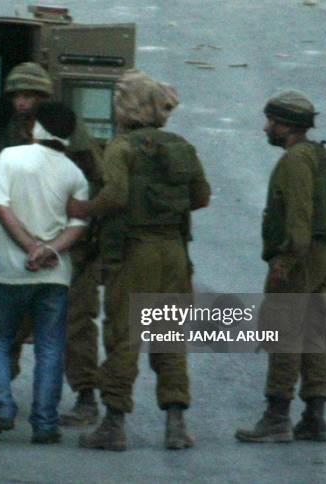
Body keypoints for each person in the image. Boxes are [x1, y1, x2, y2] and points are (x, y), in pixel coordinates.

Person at [68, 70, 211, 450]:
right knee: (168, 336)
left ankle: (113, 423)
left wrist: (85, 208)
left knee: (124, 336)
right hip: (175, 252)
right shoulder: (181, 146)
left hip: (134, 253)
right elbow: (201, 196)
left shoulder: (122, 147)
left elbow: (114, 196)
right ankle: (176, 424)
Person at [0, 62, 104, 425]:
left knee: (75, 324)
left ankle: (86, 397)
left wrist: (66, 244)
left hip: (68, 248)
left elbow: (92, 191)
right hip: (26, 244)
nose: (22, 103)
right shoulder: (12, 131)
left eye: (29, 96)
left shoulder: (73, 136)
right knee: (10, 324)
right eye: (17, 96)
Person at [235, 91, 326, 443]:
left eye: (271, 122)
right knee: (314, 332)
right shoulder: (321, 156)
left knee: (284, 331)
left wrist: (285, 261)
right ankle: (314, 416)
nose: (266, 128)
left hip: (302, 255)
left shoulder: (295, 161)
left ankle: (277, 415)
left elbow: (300, 216)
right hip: (324, 255)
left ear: (286, 125)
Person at [0, 102, 89, 443]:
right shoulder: (75, 174)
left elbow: (0, 207)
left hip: (9, 271)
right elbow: (79, 223)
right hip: (53, 276)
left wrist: (29, 247)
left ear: (37, 126)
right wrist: (50, 250)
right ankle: (45, 424)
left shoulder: (10, 157)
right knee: (50, 347)